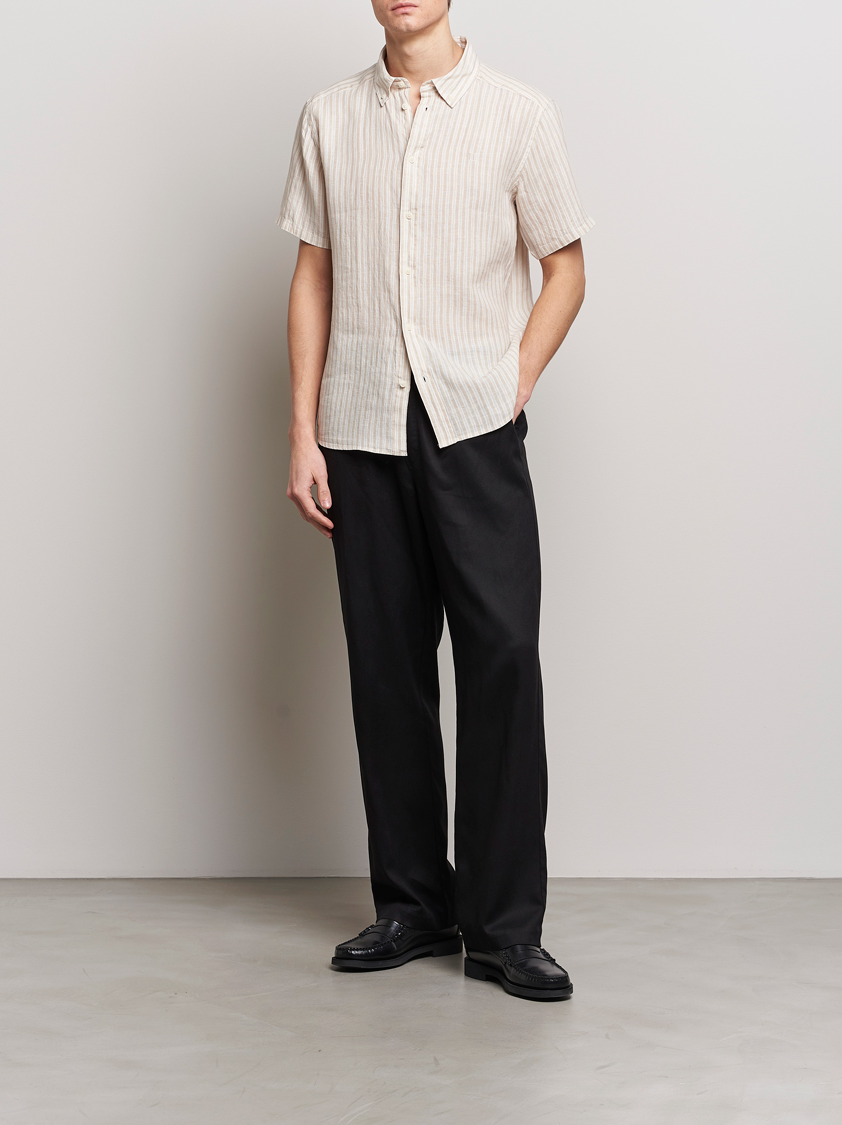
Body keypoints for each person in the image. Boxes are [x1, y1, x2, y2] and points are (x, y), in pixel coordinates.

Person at [276, 0, 593, 1002]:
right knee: (387, 668)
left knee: (501, 658)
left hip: (473, 425)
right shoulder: (329, 116)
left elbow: (565, 267)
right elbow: (313, 274)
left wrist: (513, 379)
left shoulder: (518, 113)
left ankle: (504, 928)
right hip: (359, 422)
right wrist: (302, 432)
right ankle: (413, 905)